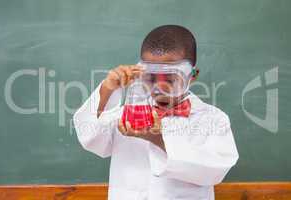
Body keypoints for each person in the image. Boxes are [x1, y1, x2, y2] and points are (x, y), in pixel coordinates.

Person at [73, 25, 239, 200]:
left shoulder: (212, 118)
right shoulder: (129, 114)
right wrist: (107, 89)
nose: (159, 87)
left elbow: (216, 170)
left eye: (170, 78)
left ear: (192, 75)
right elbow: (90, 137)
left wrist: (158, 139)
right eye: (151, 77)